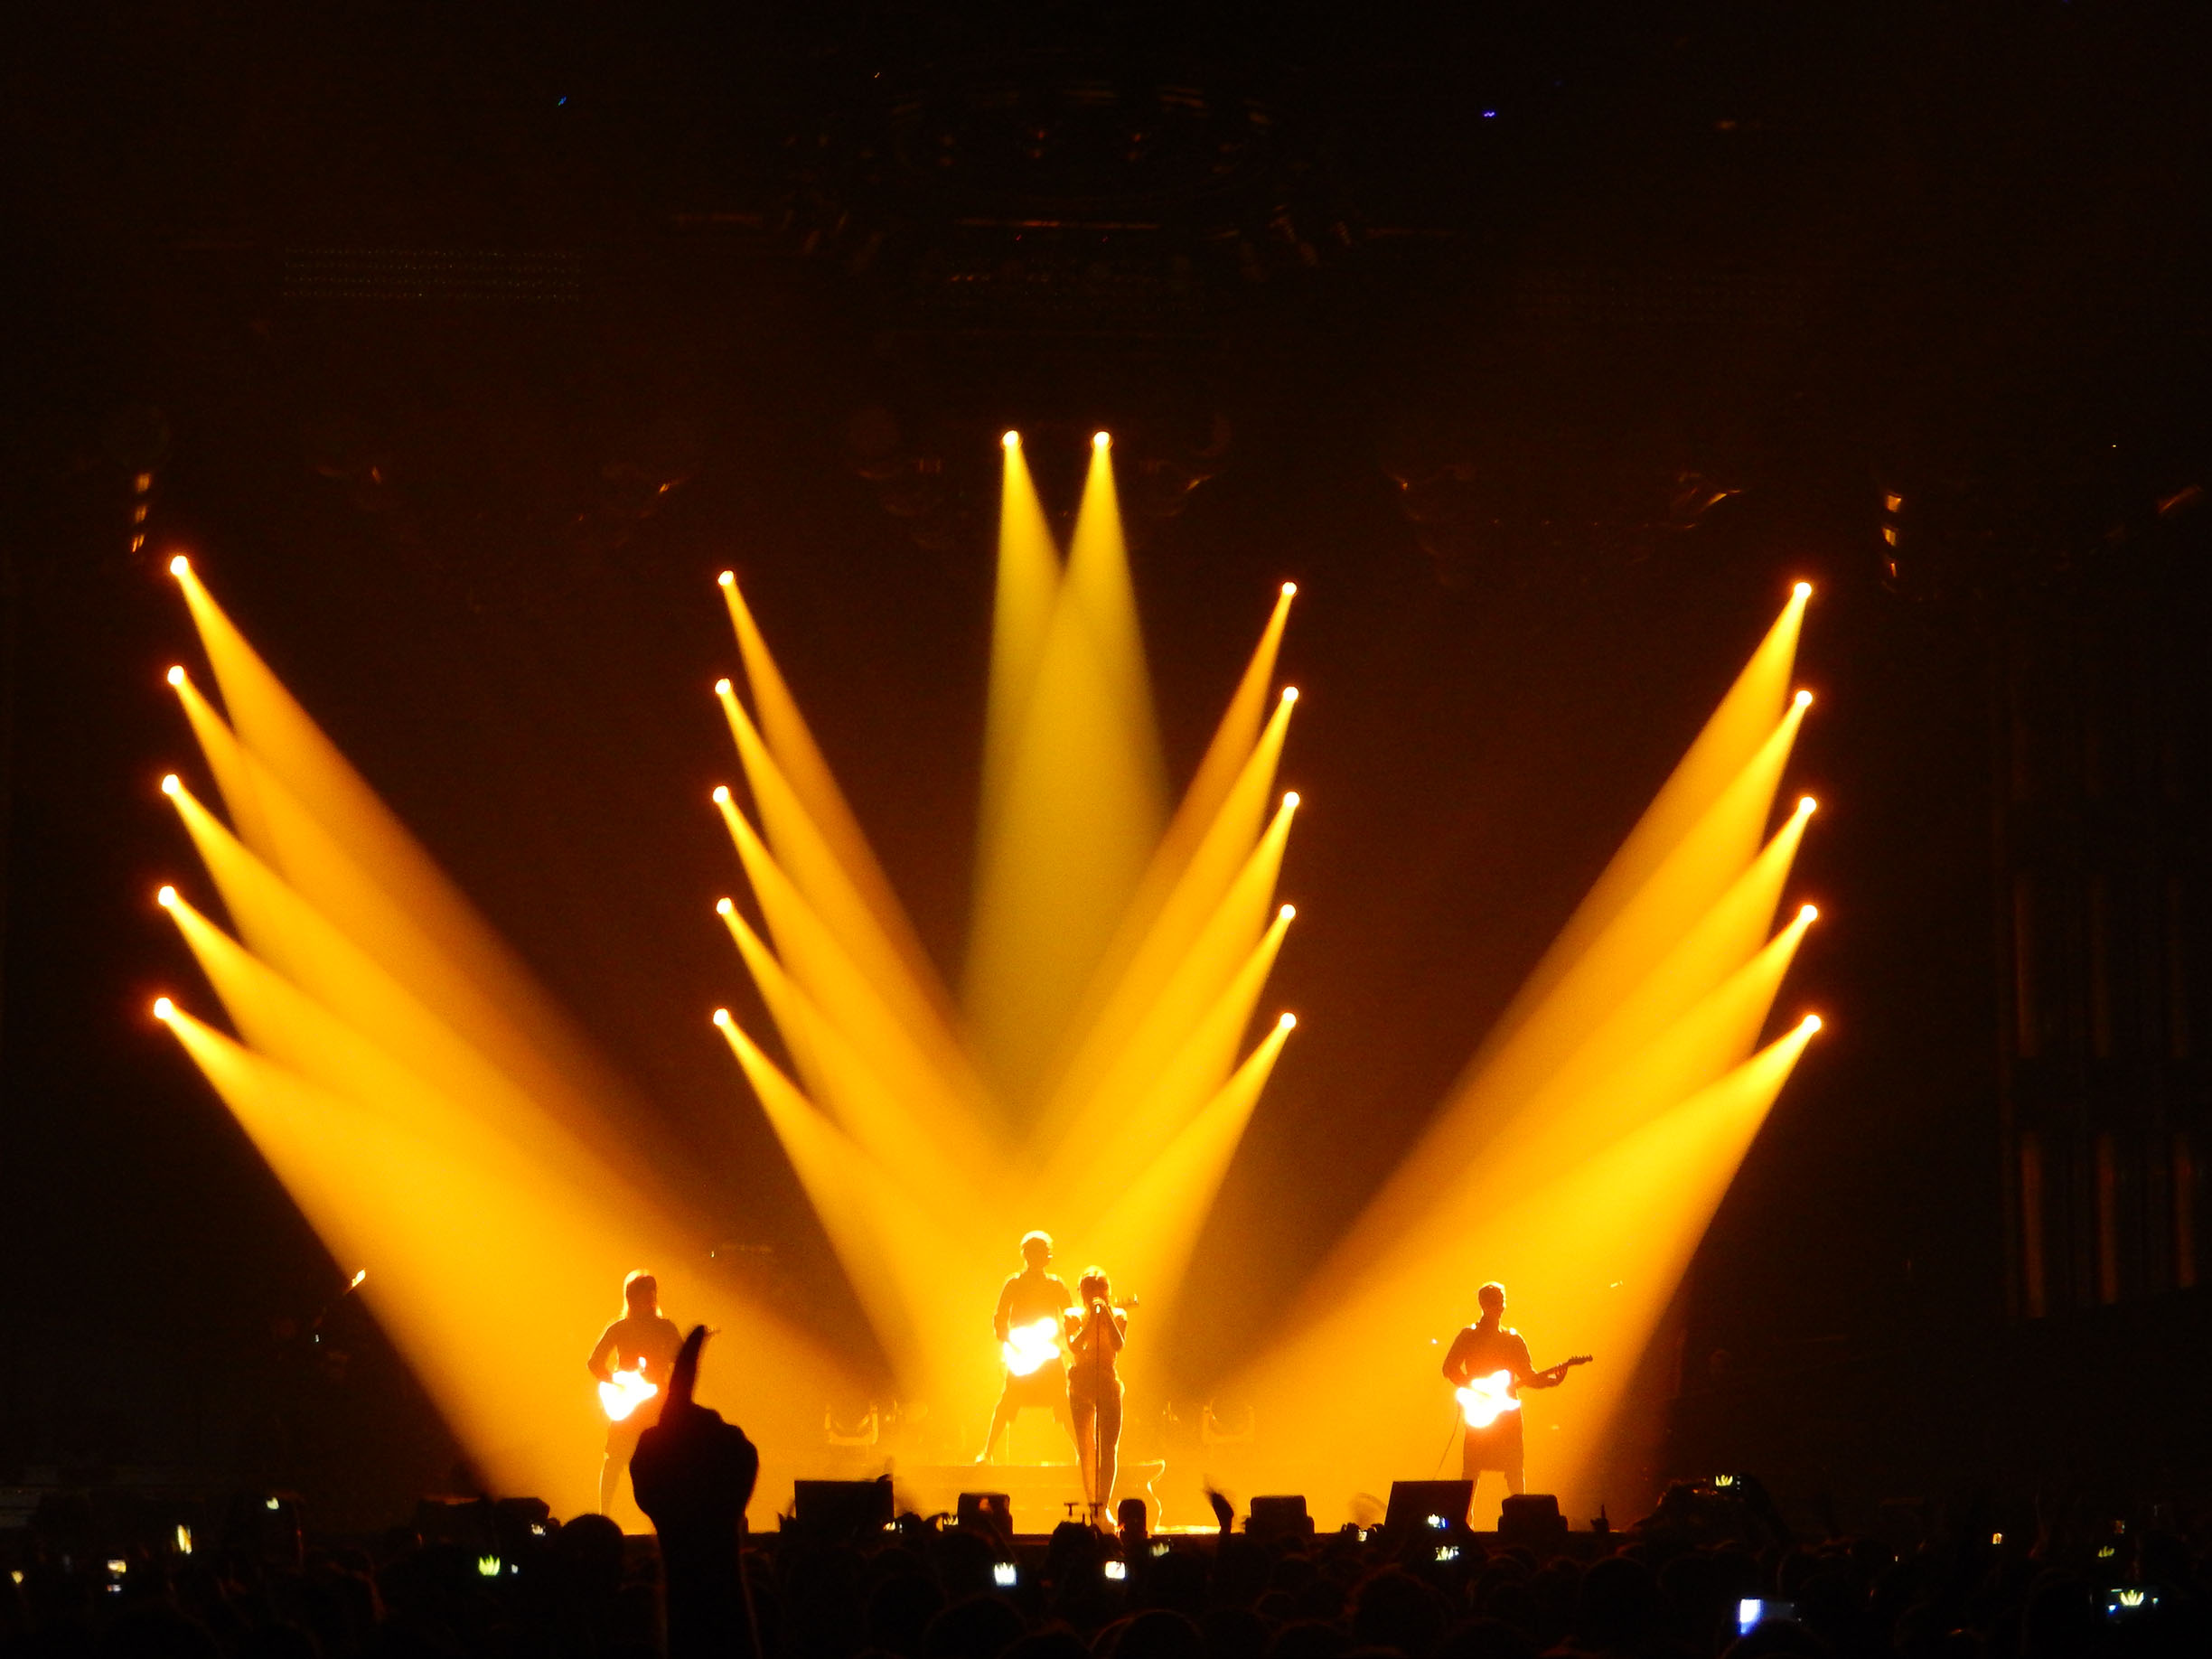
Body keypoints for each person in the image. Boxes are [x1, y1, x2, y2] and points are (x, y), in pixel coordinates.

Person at [1439, 1281, 1578, 1522]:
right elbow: (1449, 1368)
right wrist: (1475, 1390)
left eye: (1502, 1301)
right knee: (1471, 1472)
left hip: (1508, 1414)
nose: (1501, 1306)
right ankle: (1464, 1525)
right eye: (1496, 1301)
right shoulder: (1469, 1335)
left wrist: (1552, 1381)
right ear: (1483, 1304)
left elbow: (1528, 1377)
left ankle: (1522, 1523)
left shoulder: (1513, 1339)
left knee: (1514, 1469)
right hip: (1481, 1414)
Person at [587, 1270, 686, 1518]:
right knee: (614, 1460)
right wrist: (618, 1384)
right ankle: (603, 1516)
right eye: (644, 1294)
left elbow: (681, 1359)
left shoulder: (666, 1328)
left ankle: (666, 1517)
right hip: (628, 1403)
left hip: (657, 1402)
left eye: (653, 1293)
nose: (650, 1298)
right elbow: (594, 1362)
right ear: (632, 1298)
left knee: (664, 1460)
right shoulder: (620, 1328)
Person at [977, 1232, 1079, 1463]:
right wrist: (1012, 1344)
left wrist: (1074, 1332)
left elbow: (1072, 1316)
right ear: (1026, 1255)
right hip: (1022, 1355)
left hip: (1049, 1355)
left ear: (1047, 1257)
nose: (1038, 1258)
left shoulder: (1056, 1285)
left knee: (1063, 1403)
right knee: (1007, 1403)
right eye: (1033, 1253)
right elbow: (1000, 1318)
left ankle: (1082, 1454)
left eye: (1042, 1253)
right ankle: (988, 1452)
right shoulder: (1014, 1283)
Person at [1064, 1266, 1128, 1519]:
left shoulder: (1119, 1314)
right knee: (1086, 1447)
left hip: (1106, 1379)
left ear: (1107, 1291)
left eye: (1100, 1290)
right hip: (1081, 1382)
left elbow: (1118, 1345)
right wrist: (1092, 1319)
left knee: (1109, 1448)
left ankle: (1104, 1504)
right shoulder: (1072, 1316)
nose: (1094, 1295)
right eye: (1089, 1291)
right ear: (1082, 1293)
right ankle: (1092, 1504)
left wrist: (1107, 1318)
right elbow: (1075, 1346)